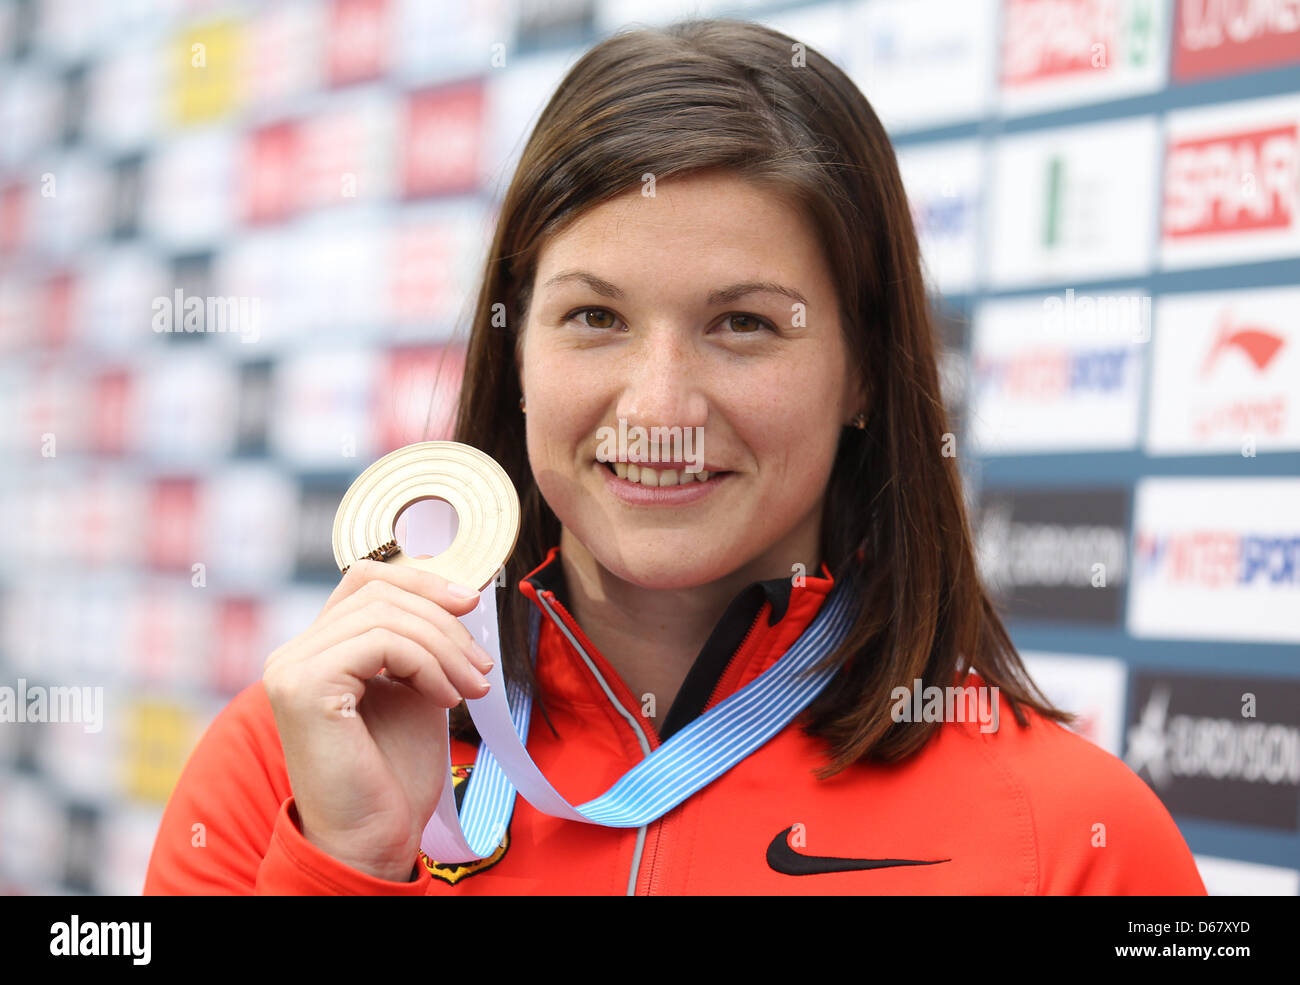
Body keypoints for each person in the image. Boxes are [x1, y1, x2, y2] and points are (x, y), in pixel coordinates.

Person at [143, 18, 1206, 895]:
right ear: (517, 349)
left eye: (743, 323)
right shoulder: (289, 761)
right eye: (594, 316)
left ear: (868, 373)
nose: (657, 406)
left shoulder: (1074, 836)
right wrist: (344, 868)